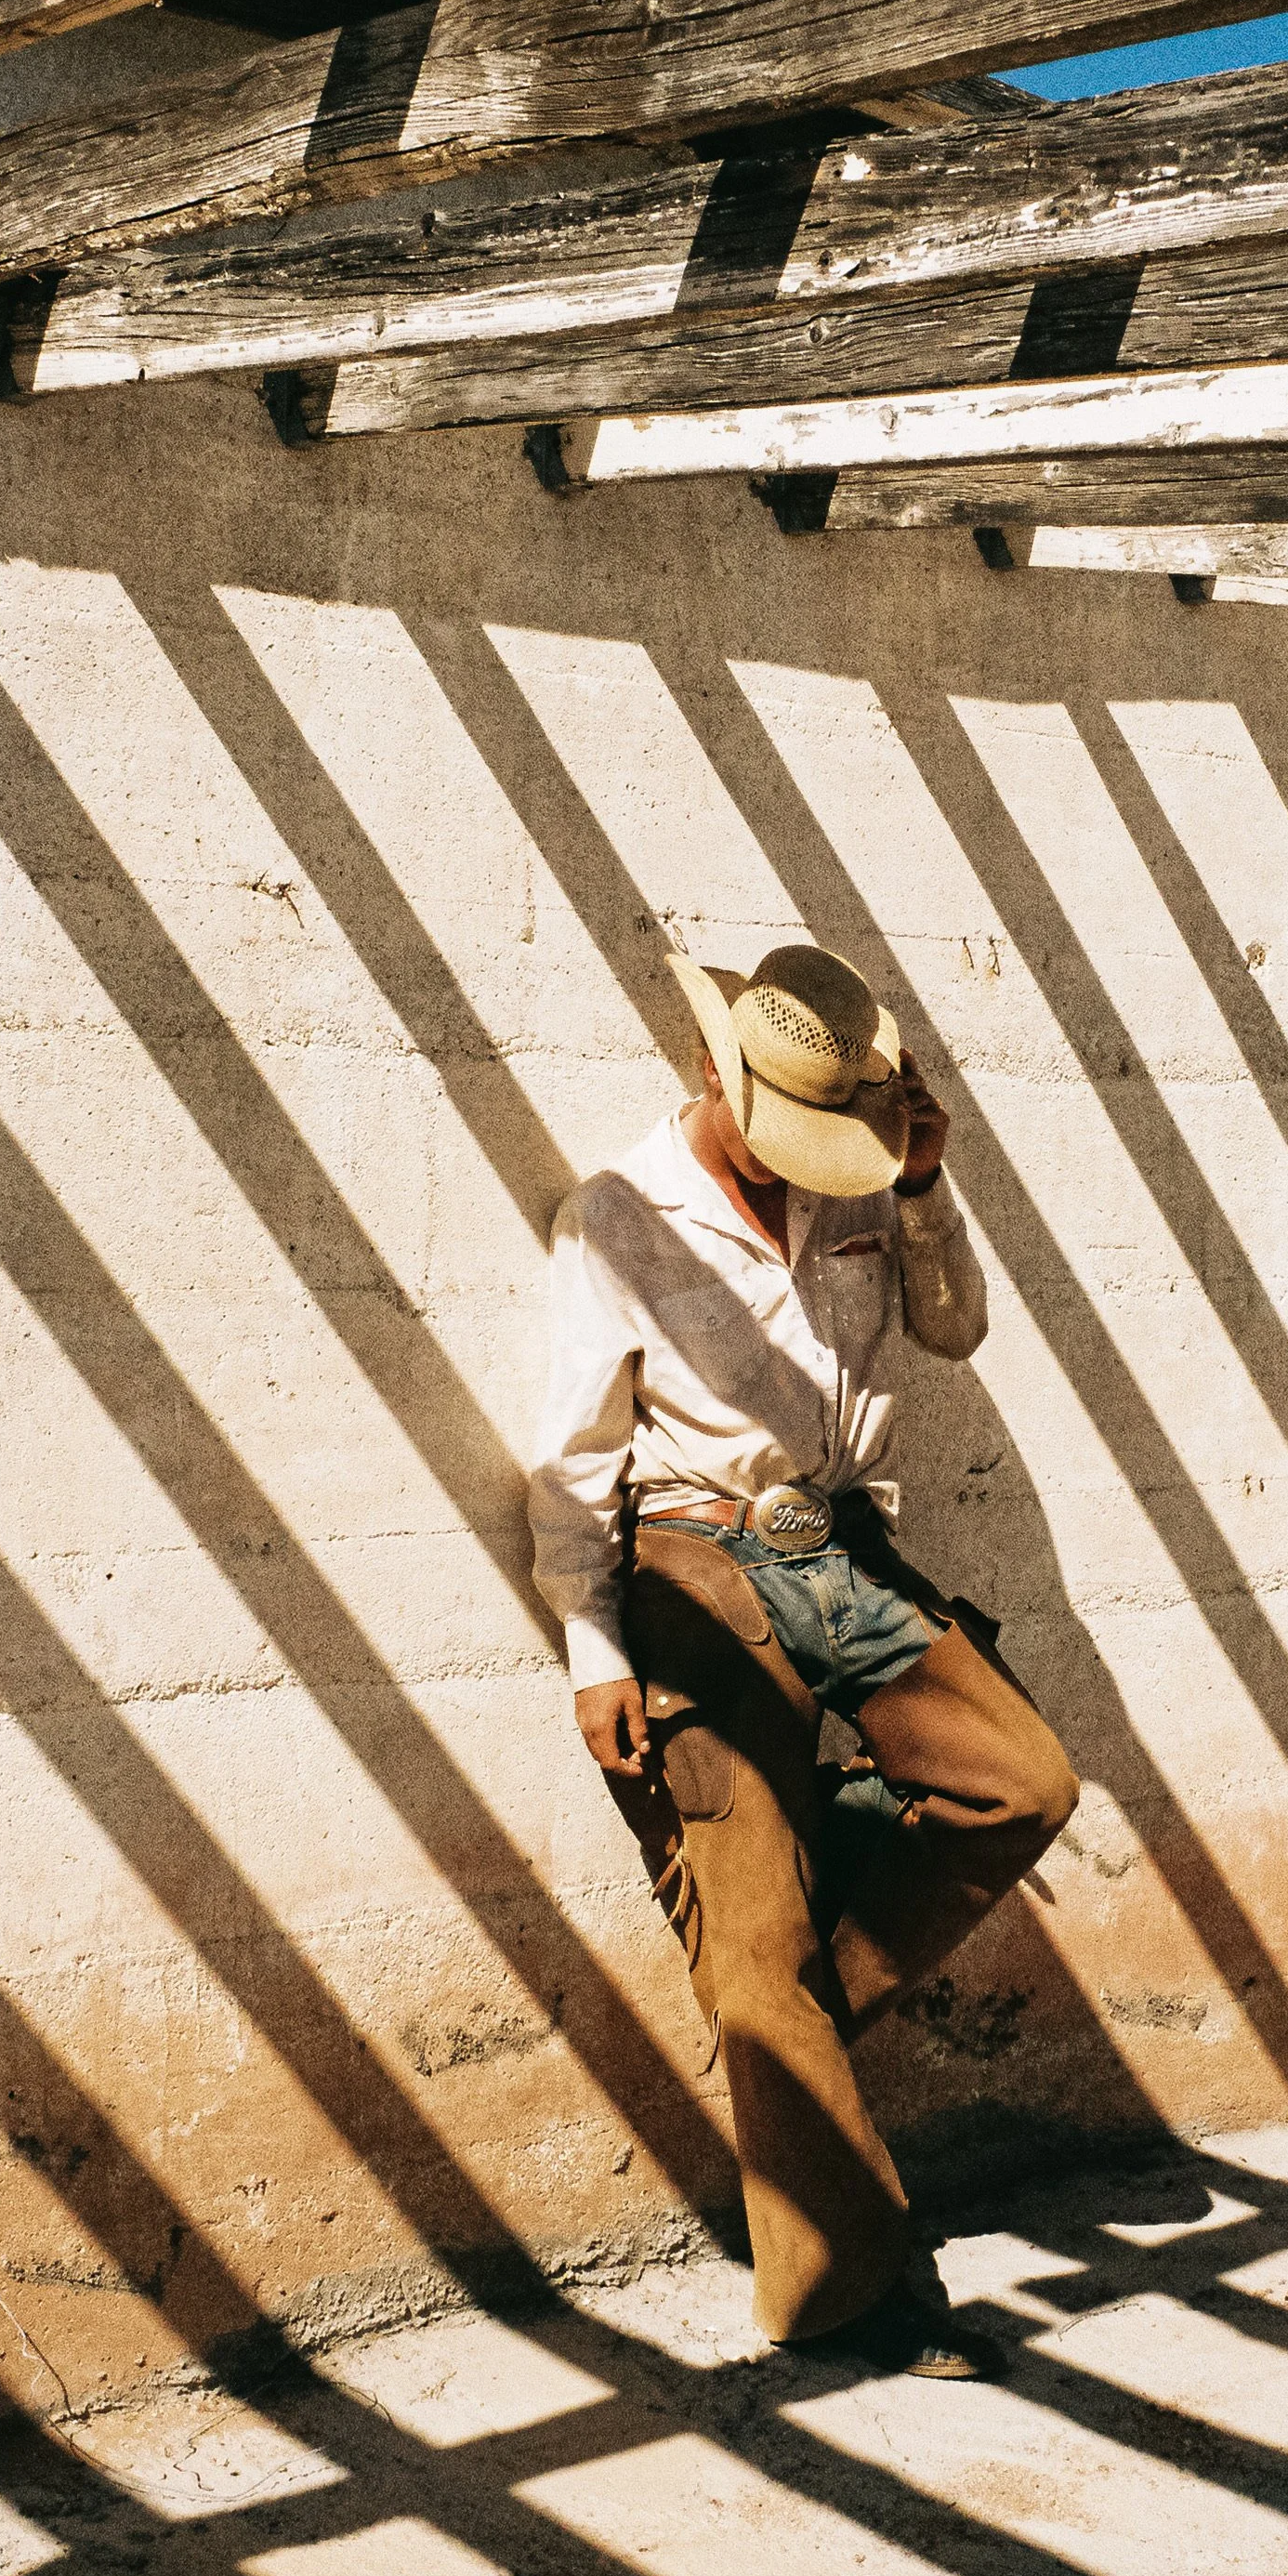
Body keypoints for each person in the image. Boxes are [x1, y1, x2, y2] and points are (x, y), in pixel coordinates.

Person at [529, 940, 1079, 2377]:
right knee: (755, 1928)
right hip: (692, 1566)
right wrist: (592, 1651)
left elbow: (952, 1330)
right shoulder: (616, 1218)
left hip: (838, 1548)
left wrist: (918, 1184)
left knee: (1019, 1784)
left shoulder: (859, 1180)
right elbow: (576, 1458)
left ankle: (781, 2018)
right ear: (715, 1073)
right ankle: (854, 2297)